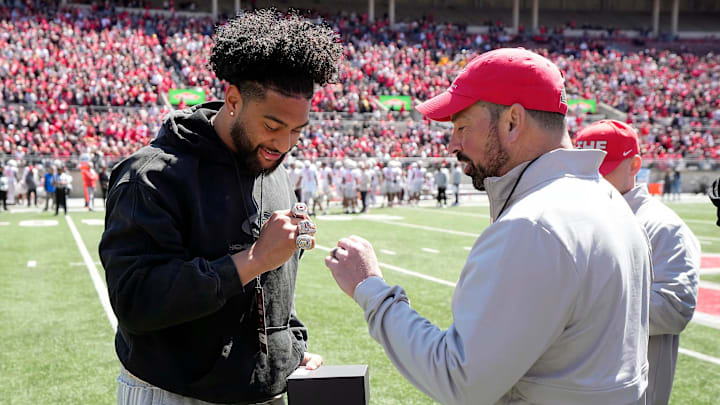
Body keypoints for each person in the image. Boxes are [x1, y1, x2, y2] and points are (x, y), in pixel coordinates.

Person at [325, 48, 651, 405]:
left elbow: (459, 378)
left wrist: (370, 288)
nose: (452, 144)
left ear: (512, 121)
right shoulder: (609, 200)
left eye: (462, 126)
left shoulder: (535, 225)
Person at [98, 10, 342, 405]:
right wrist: (253, 259)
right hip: (175, 393)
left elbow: (275, 288)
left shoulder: (273, 165)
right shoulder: (151, 175)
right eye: (273, 125)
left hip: (264, 392)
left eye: (297, 131)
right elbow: (135, 301)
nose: (283, 144)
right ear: (232, 99)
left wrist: (289, 350)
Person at [575, 120, 701, 405]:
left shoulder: (663, 225)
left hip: (634, 392)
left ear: (634, 165)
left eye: (602, 170)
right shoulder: (581, 215)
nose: (592, 178)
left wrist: (581, 305)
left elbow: (674, 308)